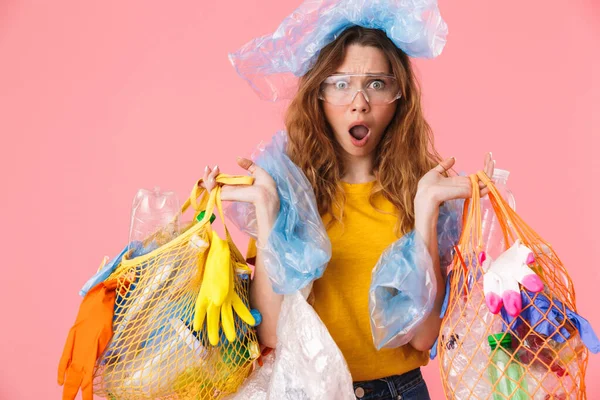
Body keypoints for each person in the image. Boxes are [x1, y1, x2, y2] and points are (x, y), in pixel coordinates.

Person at [202, 22, 494, 400]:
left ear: (399, 95)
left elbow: (423, 338)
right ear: (319, 95)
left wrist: (424, 213)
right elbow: (271, 332)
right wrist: (267, 208)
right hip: (308, 392)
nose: (359, 102)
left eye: (376, 83)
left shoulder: (419, 190)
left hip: (399, 391)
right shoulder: (290, 191)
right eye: (341, 84)